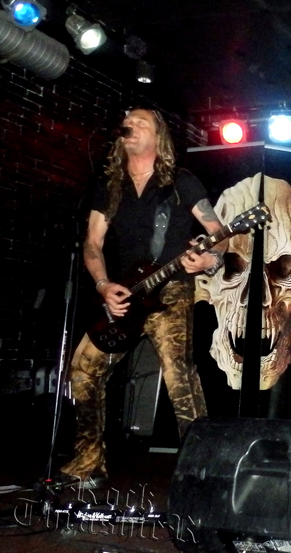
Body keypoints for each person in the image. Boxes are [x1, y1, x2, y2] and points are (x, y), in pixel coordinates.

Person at [55, 108, 225, 489]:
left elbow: (219, 233)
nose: (130, 125)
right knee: (82, 369)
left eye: (141, 122)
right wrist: (103, 285)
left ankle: (204, 471)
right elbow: (92, 243)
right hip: (125, 295)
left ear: (158, 136)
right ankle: (89, 462)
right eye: (127, 121)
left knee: (179, 378)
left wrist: (209, 260)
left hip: (172, 290)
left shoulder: (181, 182)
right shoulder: (110, 186)